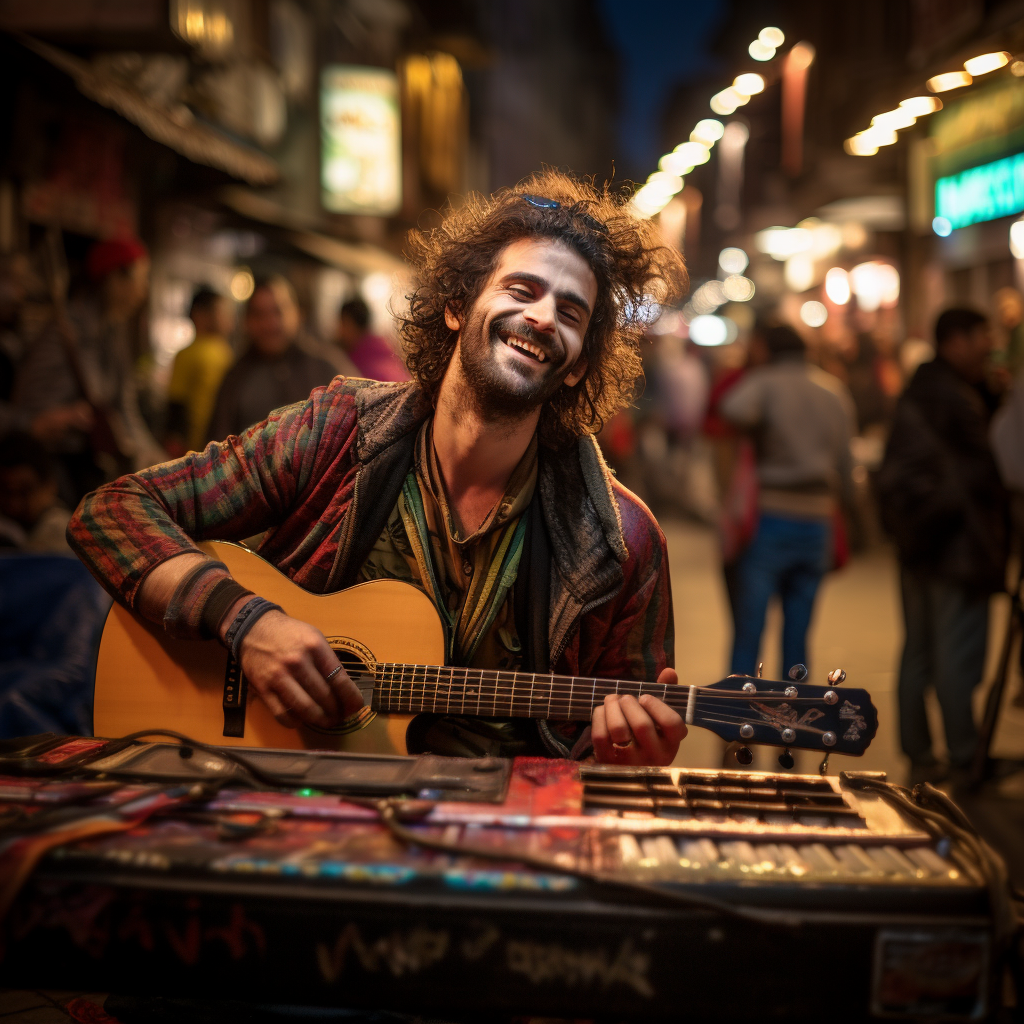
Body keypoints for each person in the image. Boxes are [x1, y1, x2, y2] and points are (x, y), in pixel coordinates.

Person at [68, 170, 689, 765]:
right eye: (521, 290)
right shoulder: (335, 433)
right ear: (456, 306)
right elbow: (113, 512)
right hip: (281, 797)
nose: (543, 317)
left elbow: (612, 762)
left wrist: (623, 763)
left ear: (579, 363)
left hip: (498, 842)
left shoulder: (623, 542)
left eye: (572, 313)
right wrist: (245, 621)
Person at [877, 309, 1009, 785]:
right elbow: (989, 467)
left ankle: (919, 752)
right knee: (957, 655)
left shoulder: (920, 391)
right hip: (956, 543)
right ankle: (964, 753)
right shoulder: (955, 398)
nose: (989, 347)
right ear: (955, 341)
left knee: (919, 651)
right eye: (982, 338)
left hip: (919, 541)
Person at [719, 323, 855, 679]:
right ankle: (792, 720)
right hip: (817, 522)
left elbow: (731, 408)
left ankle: (738, 716)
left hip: (770, 518)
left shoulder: (765, 383)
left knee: (750, 627)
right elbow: (846, 465)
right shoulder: (833, 390)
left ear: (765, 348)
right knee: (799, 631)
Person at [12, 237, 163, 503]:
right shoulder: (65, 332)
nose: (144, 291)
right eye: (141, 279)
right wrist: (61, 418)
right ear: (115, 280)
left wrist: (156, 461)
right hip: (55, 473)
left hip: (88, 468)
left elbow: (123, 405)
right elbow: (28, 410)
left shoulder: (111, 333)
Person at [208, 276, 337, 441]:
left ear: (297, 313)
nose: (269, 324)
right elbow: (217, 441)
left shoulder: (325, 368)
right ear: (247, 321)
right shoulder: (236, 377)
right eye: (259, 314)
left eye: (277, 311)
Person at [164, 288, 236, 456]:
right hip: (197, 448)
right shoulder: (187, 354)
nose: (229, 317)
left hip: (224, 444)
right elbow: (176, 404)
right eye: (223, 312)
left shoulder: (225, 350)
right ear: (200, 314)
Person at [0, 431, 73, 553]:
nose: (14, 504)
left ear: (50, 486)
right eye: (5, 492)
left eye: (25, 492)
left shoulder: (67, 534)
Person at [336, 296, 411, 382]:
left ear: (350, 323)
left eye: (342, 323)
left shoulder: (356, 365)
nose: (339, 330)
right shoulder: (385, 347)